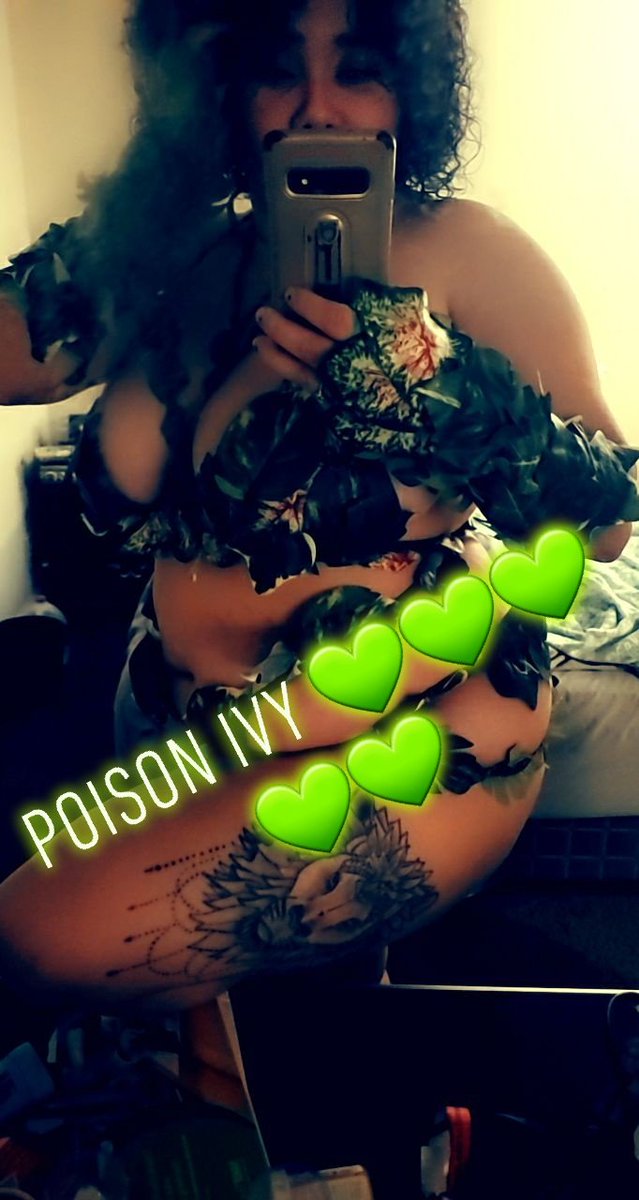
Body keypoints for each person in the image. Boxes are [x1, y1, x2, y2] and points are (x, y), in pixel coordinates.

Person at [0, 0, 637, 1013]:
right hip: (186, 730)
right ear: (213, 86)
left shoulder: (473, 252)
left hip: (416, 729)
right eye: (272, 69)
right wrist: (128, 224)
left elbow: (606, 520)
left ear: (412, 91)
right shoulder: (178, 257)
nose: (316, 107)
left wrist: (443, 385)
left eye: (361, 67)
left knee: (29, 940)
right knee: (203, 1029)